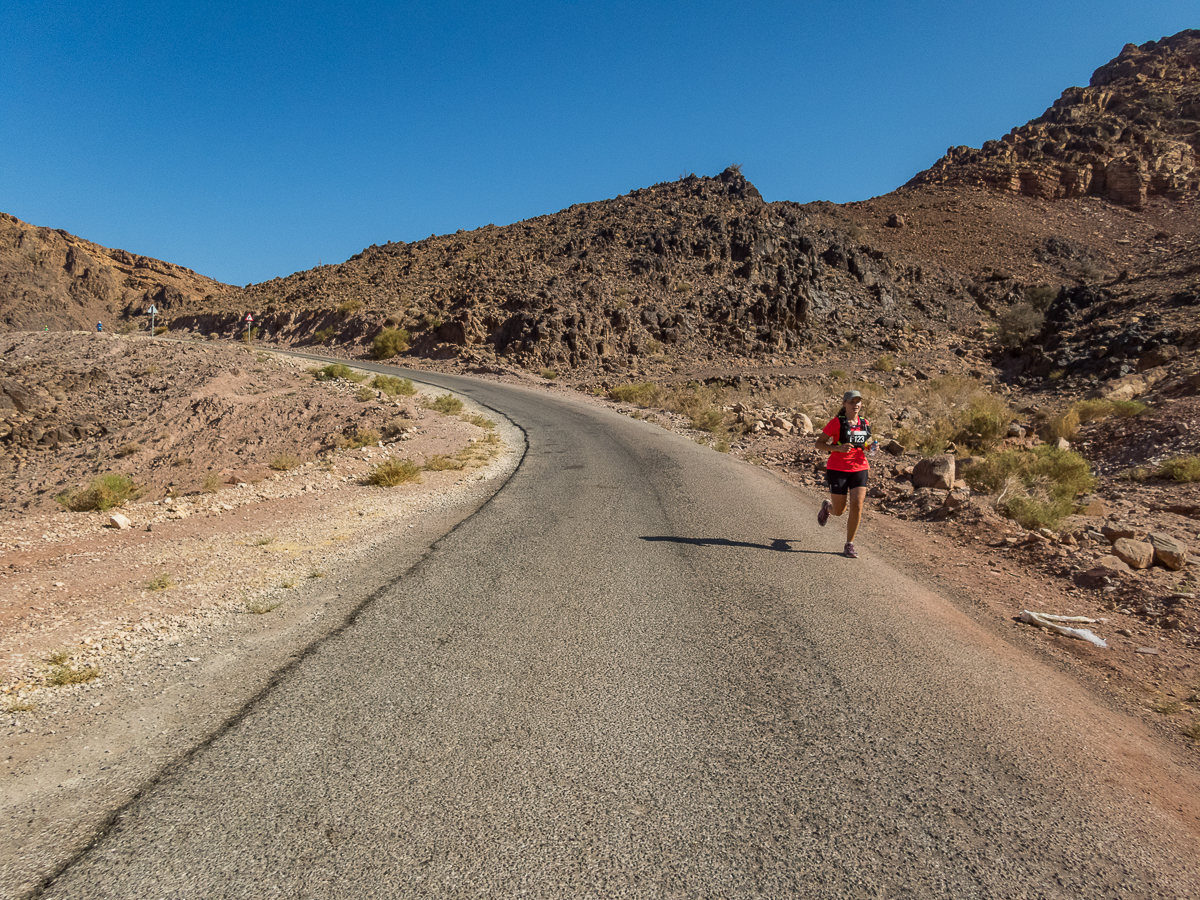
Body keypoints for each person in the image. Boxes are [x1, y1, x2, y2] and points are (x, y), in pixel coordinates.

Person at [814, 390, 875, 558]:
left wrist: (872, 447)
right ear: (844, 404)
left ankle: (849, 544)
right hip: (838, 468)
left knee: (857, 505)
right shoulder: (836, 422)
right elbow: (819, 444)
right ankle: (828, 507)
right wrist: (837, 448)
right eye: (851, 401)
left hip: (860, 467)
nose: (856, 404)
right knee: (840, 510)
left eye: (858, 401)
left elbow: (865, 443)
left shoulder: (864, 422)